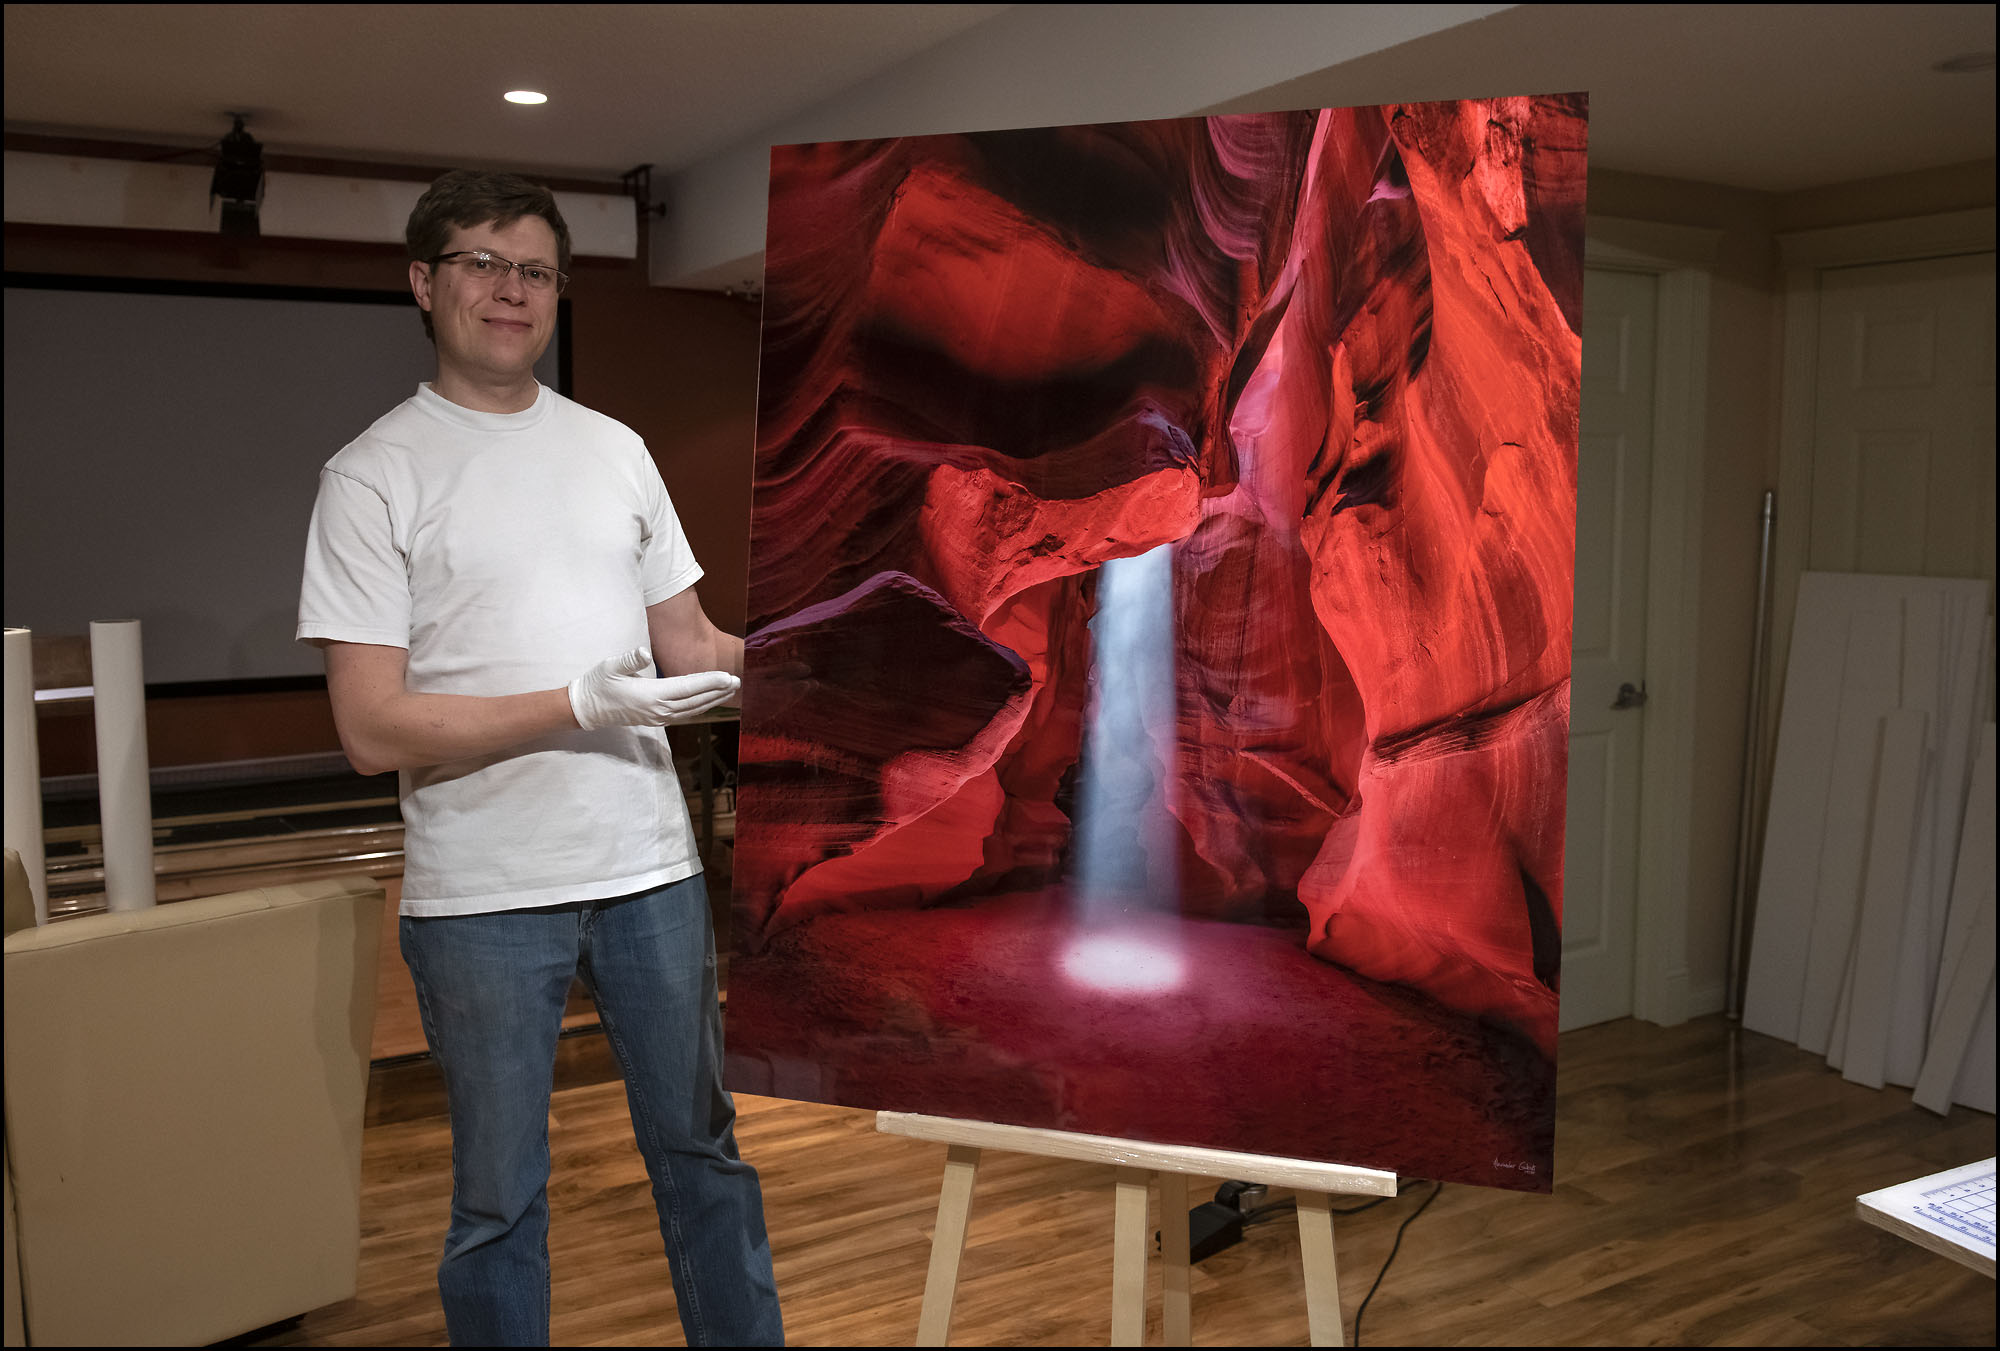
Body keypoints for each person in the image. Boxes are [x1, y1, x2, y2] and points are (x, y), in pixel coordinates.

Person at [296, 168, 783, 1347]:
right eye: (480, 263)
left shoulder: (614, 449)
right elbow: (370, 725)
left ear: (557, 292)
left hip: (650, 871)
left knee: (703, 1157)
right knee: (498, 1201)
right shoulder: (373, 476)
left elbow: (692, 645)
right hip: (482, 898)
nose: (509, 291)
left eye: (534, 270)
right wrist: (574, 700)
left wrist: (826, 662)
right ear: (424, 283)